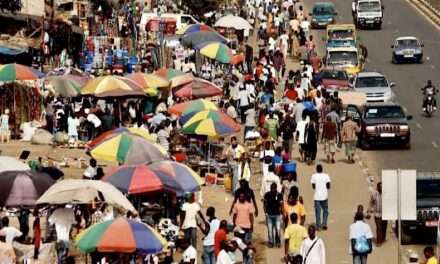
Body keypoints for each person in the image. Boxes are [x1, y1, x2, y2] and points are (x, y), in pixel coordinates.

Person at [311, 164, 331, 230]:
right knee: (325, 210)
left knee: (318, 212)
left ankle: (318, 225)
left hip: (317, 196)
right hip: (324, 196)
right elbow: (328, 185)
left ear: (316, 169)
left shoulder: (314, 176)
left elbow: (313, 186)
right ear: (322, 169)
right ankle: (324, 223)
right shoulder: (326, 175)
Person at [264, 182, 283, 248]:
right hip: (269, 215)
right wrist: (265, 212)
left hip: (277, 214)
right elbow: (265, 204)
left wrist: (282, 212)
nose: (273, 189)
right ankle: (271, 242)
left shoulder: (279, 195)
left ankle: (278, 241)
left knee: (278, 229)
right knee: (270, 229)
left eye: (274, 188)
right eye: (272, 188)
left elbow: (281, 204)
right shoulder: (267, 194)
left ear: (276, 188)